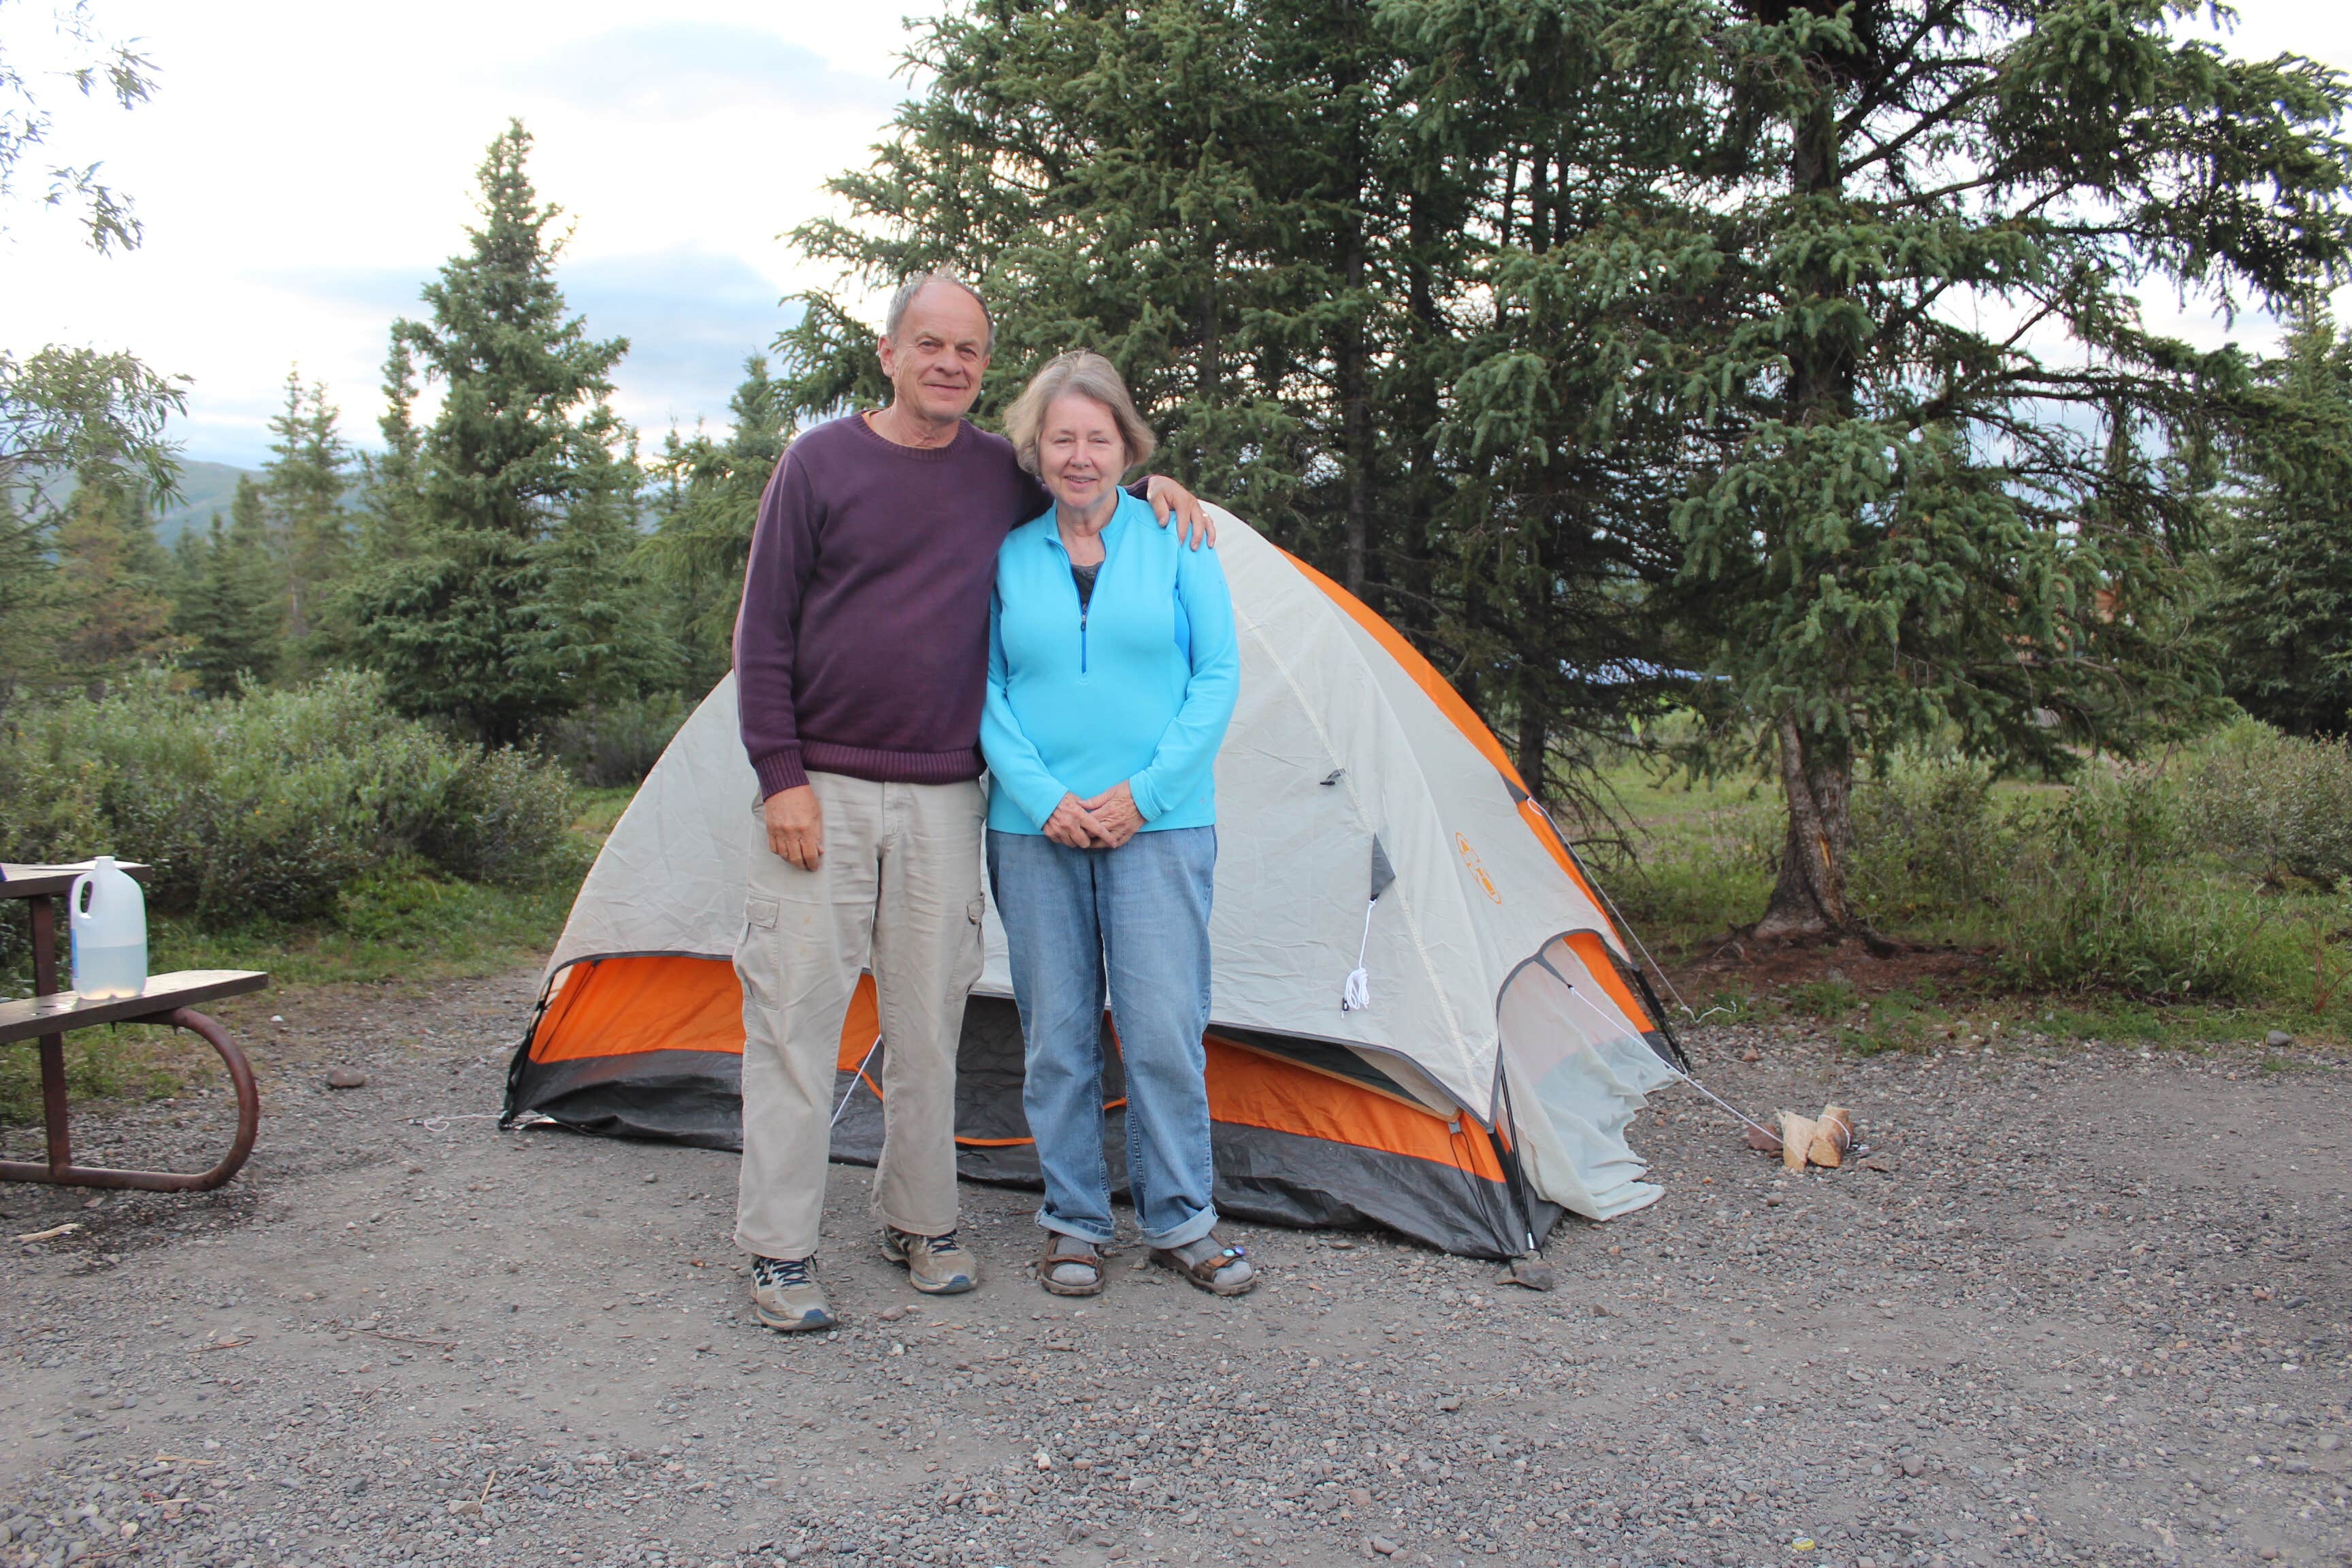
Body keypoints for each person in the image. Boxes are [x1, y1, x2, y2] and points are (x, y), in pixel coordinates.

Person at [732, 276, 1210, 1334]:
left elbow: (1094, 494)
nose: (952, 365)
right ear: (889, 351)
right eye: (932, 346)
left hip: (949, 790)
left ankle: (922, 1220)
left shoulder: (1002, 475)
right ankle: (777, 1248)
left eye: (971, 352)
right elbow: (761, 635)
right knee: (798, 1019)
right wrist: (781, 775)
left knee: (928, 1020)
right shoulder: (819, 463)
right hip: (826, 789)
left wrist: (1166, 486)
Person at [980, 351, 1252, 1299]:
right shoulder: (1008, 556)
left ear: (1128, 446)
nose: (1081, 456)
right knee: (1057, 1036)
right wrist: (1042, 795)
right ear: (1038, 449)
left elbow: (1217, 675)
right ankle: (1074, 1223)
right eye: (1063, 439)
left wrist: (1146, 794)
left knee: (1164, 1031)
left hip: (1162, 828)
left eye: (1100, 438)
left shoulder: (1179, 539)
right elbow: (982, 689)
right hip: (1033, 830)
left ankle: (1183, 1221)